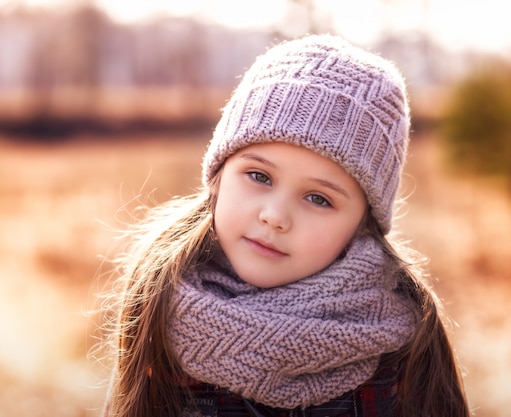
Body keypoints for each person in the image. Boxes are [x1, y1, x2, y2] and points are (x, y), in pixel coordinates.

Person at [101, 34, 470, 417]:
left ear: (362, 226)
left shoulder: (404, 342)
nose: (274, 216)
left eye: (318, 199)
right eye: (259, 176)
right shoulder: (160, 298)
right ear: (220, 175)